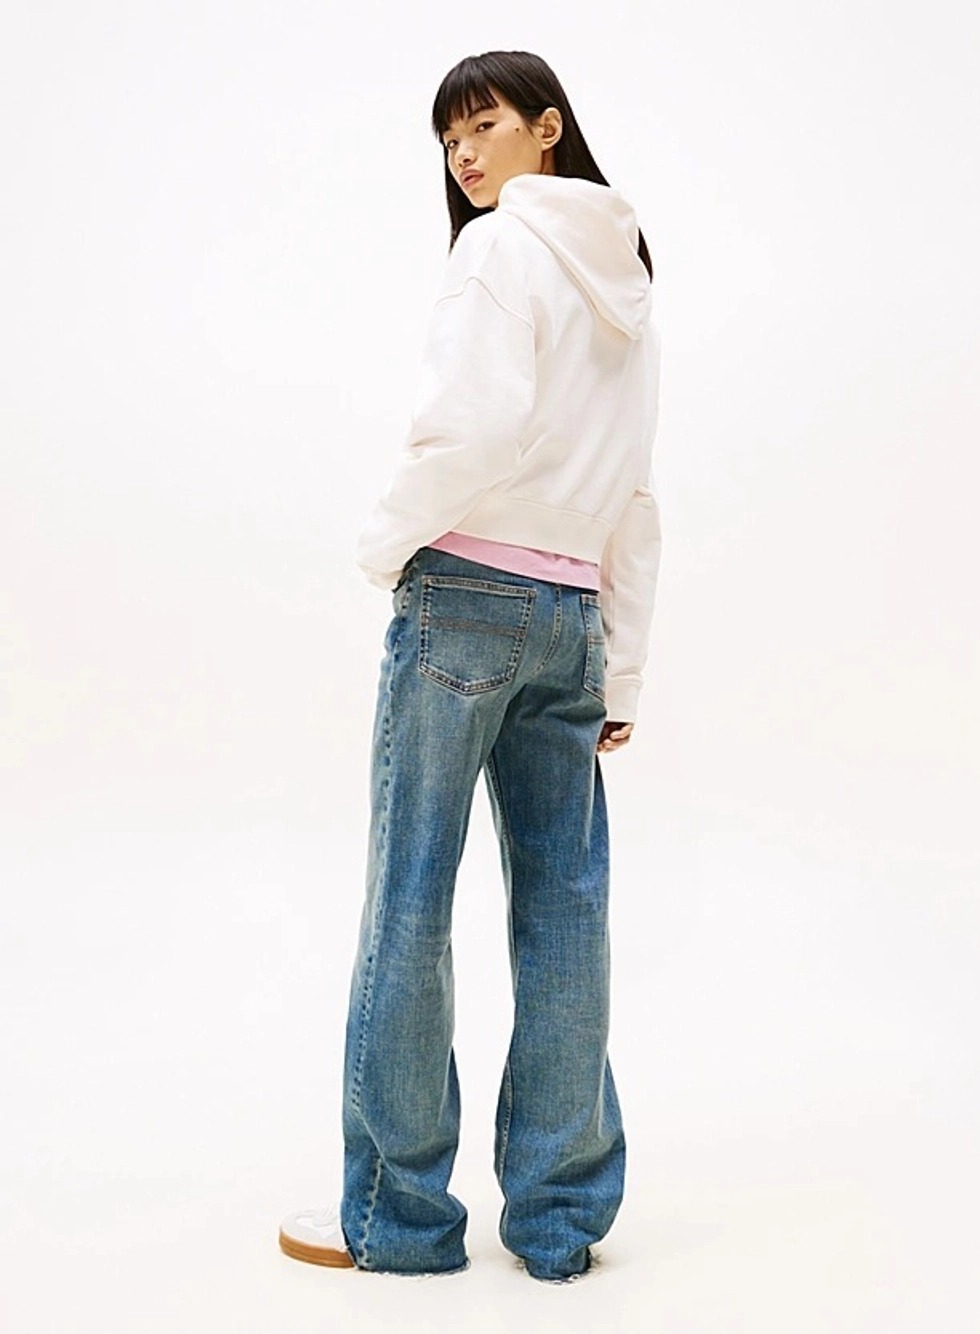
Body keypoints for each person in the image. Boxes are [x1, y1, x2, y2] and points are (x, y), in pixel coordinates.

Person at [278, 49, 662, 1284]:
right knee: (565, 910)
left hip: (463, 599)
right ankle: (558, 1219)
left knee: (409, 897)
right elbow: (634, 495)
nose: (463, 154)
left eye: (483, 125)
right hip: (572, 609)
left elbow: (473, 426)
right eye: (448, 138)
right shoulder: (630, 289)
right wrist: (620, 666)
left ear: (547, 129)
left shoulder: (499, 247)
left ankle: (399, 1218)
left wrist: (385, 545)